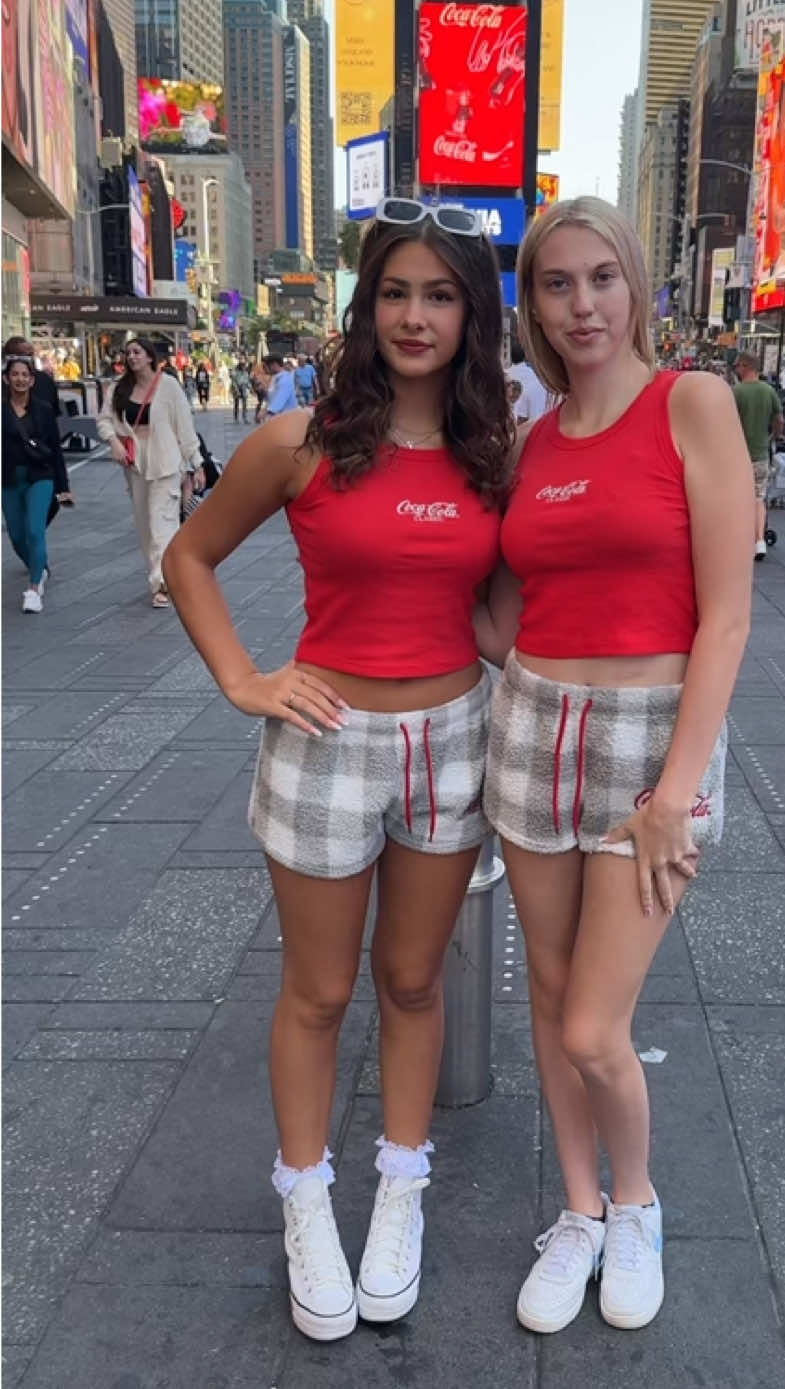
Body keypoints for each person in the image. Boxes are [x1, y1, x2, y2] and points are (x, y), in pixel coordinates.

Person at [162, 197, 513, 1342]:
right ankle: (306, 1196)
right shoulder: (300, 442)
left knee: (414, 984)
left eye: (441, 294)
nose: (416, 316)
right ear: (367, 310)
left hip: (453, 738)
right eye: (397, 293)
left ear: (472, 313)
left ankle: (399, 1189)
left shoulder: (490, 450)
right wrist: (244, 681)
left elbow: (514, 600)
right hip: (325, 740)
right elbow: (189, 556)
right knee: (317, 992)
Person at [476, 198, 752, 1336]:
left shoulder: (692, 404)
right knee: (547, 996)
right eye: (555, 284)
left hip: (652, 741)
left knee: (597, 1023)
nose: (581, 304)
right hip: (534, 726)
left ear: (636, 284)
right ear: (531, 302)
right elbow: (501, 607)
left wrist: (676, 795)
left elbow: (728, 618)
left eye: (601, 278)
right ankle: (578, 1212)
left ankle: (636, 1202)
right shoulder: (532, 442)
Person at [96, 337, 206, 607]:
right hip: (135, 464)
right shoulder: (118, 389)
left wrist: (197, 462)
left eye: (137, 352)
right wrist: (114, 442)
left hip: (166, 463)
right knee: (145, 525)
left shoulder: (168, 386)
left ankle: (162, 585)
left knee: (162, 523)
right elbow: (104, 420)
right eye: (129, 352)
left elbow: (185, 427)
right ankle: (163, 573)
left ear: (149, 356)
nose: (132, 357)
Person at [2, 354, 74, 611]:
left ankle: (33, 589)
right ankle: (39, 567)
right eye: (15, 375)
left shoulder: (42, 409)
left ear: (32, 380)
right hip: (9, 479)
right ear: (6, 378)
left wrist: (64, 487)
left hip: (40, 477)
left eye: (25, 375)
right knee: (17, 536)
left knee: (34, 530)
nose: (20, 379)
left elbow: (55, 449)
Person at [732, 352, 784, 561]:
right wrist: (774, 435)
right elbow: (779, 419)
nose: (736, 370)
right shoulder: (769, 391)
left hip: (736, 456)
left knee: (735, 499)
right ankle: (759, 540)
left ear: (746, 366)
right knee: (758, 498)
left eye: (737, 366)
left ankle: (738, 539)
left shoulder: (736, 392)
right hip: (761, 454)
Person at [506, 334, 551, 423]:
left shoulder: (505, 375)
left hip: (511, 423)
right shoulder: (535, 376)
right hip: (533, 421)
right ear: (525, 356)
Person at [261, 354, 299, 420]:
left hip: (286, 419)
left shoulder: (285, 379)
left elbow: (279, 399)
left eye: (266, 366)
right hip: (277, 419)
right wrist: (264, 391)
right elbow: (271, 397)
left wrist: (265, 412)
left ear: (274, 365)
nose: (265, 369)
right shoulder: (275, 377)